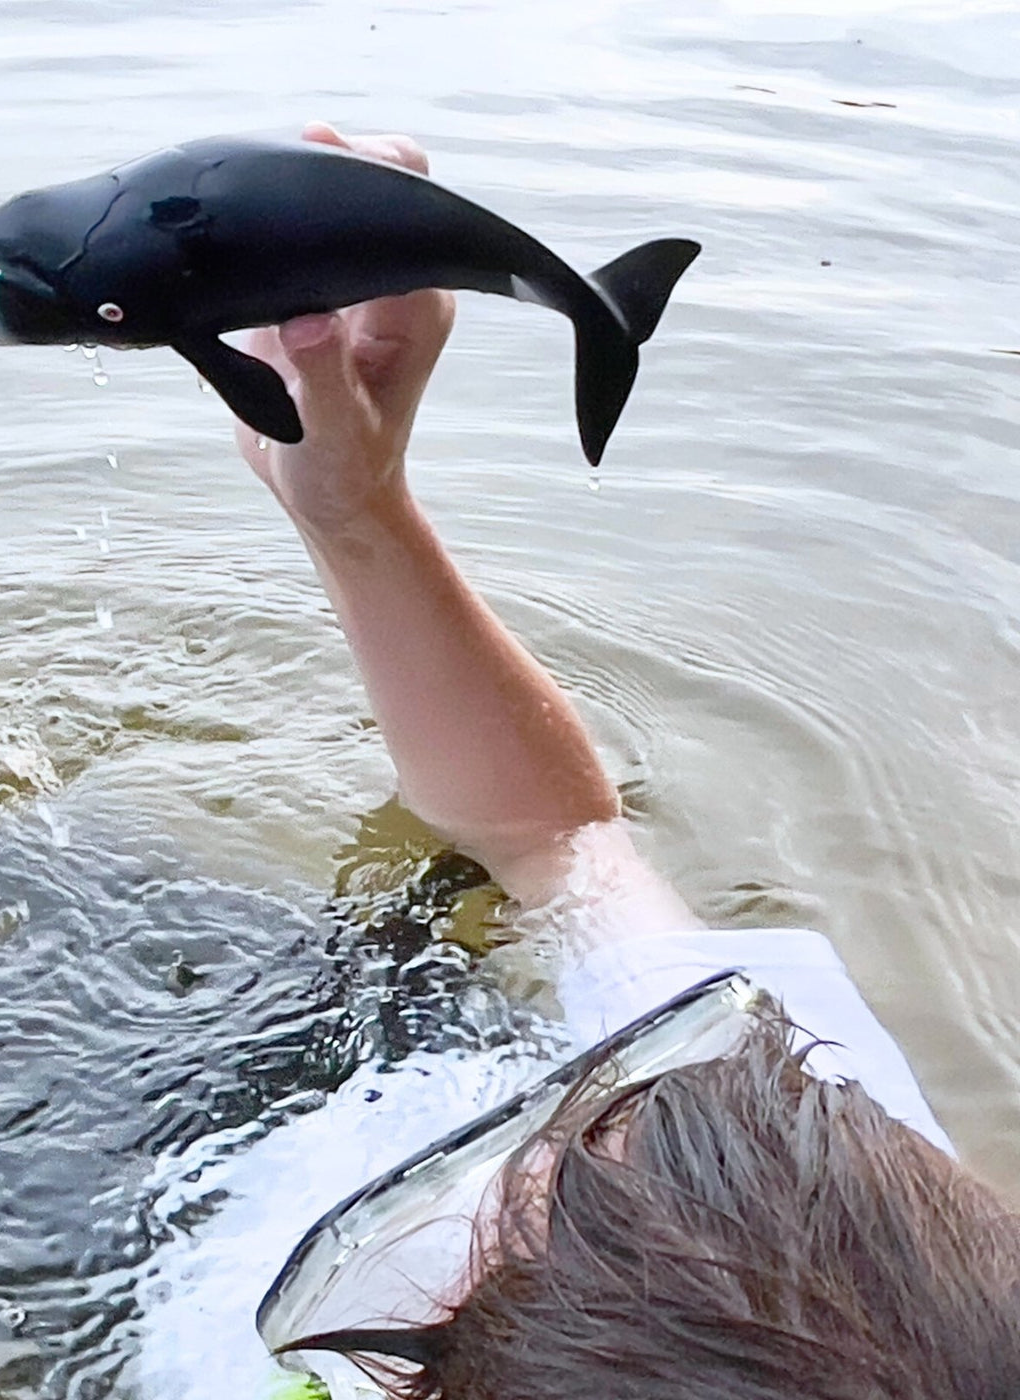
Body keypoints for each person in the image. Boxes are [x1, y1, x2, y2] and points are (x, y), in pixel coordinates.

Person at [138, 125, 1020, 1400]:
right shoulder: (843, 1199)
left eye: (504, 1220)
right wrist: (357, 511)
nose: (515, 1159)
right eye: (590, 1127)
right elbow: (558, 845)